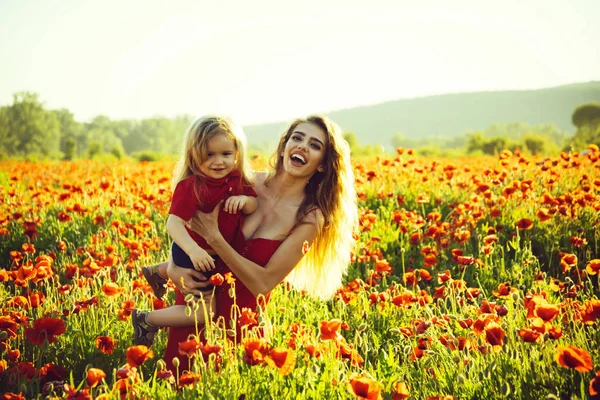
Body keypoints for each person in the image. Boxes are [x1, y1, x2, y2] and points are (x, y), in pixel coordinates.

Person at [157, 115, 358, 374]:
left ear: (322, 165)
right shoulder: (246, 182)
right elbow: (187, 226)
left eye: (315, 145)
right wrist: (173, 267)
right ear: (285, 145)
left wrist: (215, 239)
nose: (302, 147)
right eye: (297, 138)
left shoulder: (309, 217)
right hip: (194, 308)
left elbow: (263, 285)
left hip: (240, 329)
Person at [132, 115, 257, 346]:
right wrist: (194, 251)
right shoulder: (191, 186)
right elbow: (173, 223)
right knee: (204, 313)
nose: (218, 161)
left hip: (213, 252)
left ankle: (158, 272)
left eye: (226, 154)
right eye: (209, 155)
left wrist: (243, 200)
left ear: (236, 153)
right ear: (194, 155)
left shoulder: (236, 180)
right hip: (193, 254)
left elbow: (253, 203)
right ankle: (147, 319)